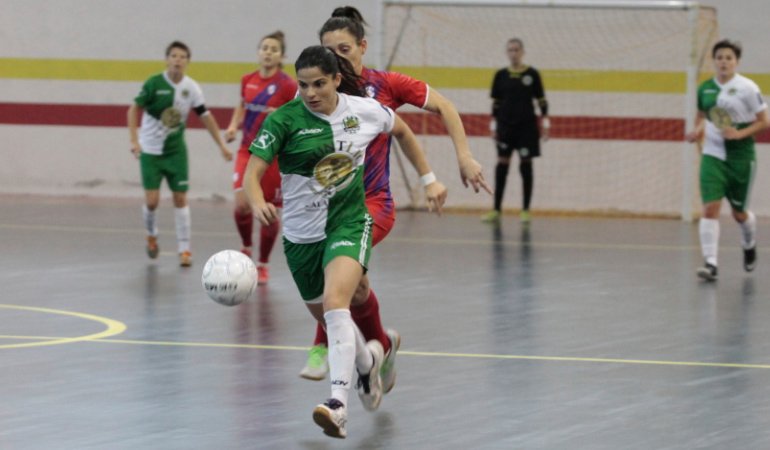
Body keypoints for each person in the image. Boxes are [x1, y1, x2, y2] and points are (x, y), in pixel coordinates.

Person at [244, 45, 443, 439]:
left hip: (348, 222)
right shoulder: (283, 120)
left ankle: (337, 405)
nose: (311, 92)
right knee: (331, 317)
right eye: (304, 85)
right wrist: (256, 201)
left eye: (319, 84)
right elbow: (253, 173)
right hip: (301, 236)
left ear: (337, 79)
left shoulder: (364, 111)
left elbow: (402, 130)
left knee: (337, 302)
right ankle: (368, 362)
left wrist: (429, 179)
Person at [299, 4, 485, 384]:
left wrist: (459, 159)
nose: (337, 58)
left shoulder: (383, 87)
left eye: (345, 50)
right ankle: (383, 346)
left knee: (337, 269)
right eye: (330, 52)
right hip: (330, 207)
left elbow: (444, 106)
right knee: (357, 288)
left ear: (362, 47)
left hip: (373, 204)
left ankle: (321, 346)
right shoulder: (314, 94)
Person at [128, 41, 233, 267]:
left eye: (182, 56)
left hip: (176, 152)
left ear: (187, 61)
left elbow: (205, 116)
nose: (178, 60)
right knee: (152, 201)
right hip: (150, 152)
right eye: (174, 56)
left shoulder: (191, 88)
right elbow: (133, 109)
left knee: (180, 198)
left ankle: (184, 249)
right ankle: (151, 235)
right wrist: (134, 141)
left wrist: (222, 146)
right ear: (167, 59)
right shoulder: (154, 83)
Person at [685, 39, 769, 281]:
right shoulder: (705, 89)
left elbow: (764, 122)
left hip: (740, 157)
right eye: (720, 57)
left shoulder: (747, 88)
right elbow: (701, 114)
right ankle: (710, 264)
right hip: (713, 155)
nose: (724, 62)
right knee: (710, 207)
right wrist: (696, 130)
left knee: (739, 214)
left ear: (737, 62)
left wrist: (739, 134)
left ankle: (749, 242)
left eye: (729, 58)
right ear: (714, 61)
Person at [224, 31, 297, 285]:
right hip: (248, 150)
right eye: (264, 48)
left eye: (274, 49)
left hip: (274, 155)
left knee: (268, 212)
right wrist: (233, 126)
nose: (268, 52)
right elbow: (242, 105)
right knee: (242, 205)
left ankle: (263, 264)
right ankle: (246, 246)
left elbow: (298, 114)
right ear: (258, 52)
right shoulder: (247, 80)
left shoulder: (288, 85)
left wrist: (281, 115)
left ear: (281, 56)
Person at [482, 38, 549, 224]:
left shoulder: (532, 74)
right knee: (502, 163)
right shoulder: (500, 75)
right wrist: (493, 127)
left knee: (526, 164)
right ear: (507, 53)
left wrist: (546, 124)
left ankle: (525, 210)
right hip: (505, 127)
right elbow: (496, 104)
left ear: (523, 52)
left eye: (517, 49)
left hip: (527, 128)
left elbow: (542, 101)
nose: (514, 53)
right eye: (510, 50)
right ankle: (496, 209)